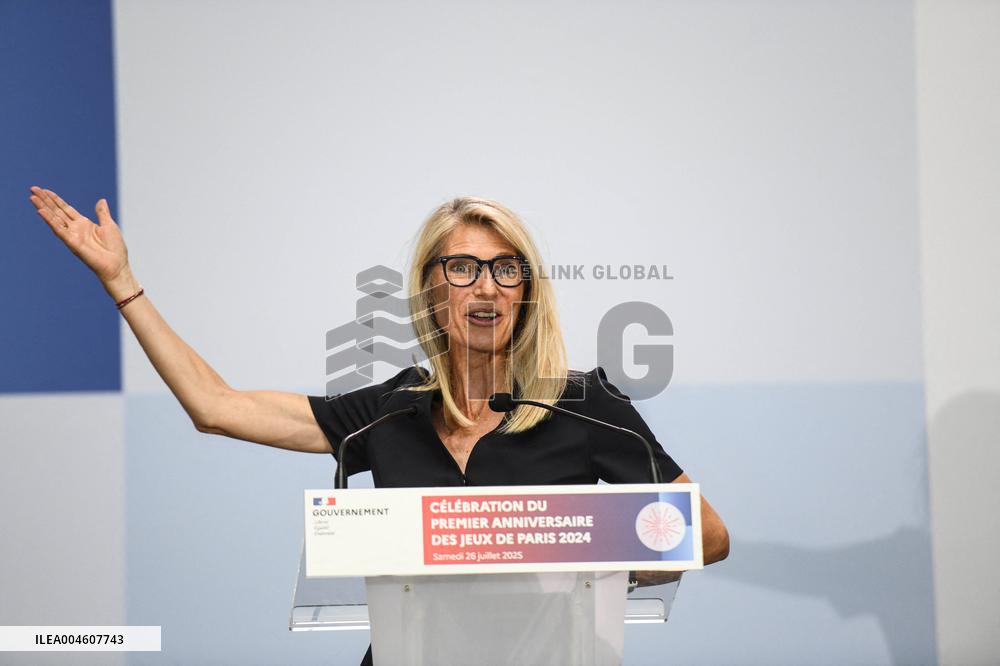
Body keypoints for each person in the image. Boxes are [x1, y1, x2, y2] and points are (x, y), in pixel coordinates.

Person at [28, 187, 730, 664]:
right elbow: (216, 406)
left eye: (505, 268)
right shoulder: (391, 411)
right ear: (431, 288)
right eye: (463, 267)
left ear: (525, 292)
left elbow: (707, 532)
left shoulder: (581, 403)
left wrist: (589, 559)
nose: (486, 285)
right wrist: (124, 285)